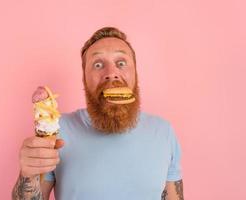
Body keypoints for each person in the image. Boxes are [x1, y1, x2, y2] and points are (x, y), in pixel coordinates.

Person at [12, 27, 184, 200]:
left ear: (135, 73)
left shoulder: (164, 132)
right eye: (98, 64)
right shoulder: (58, 130)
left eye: (121, 63)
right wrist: (29, 174)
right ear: (84, 79)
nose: (111, 73)